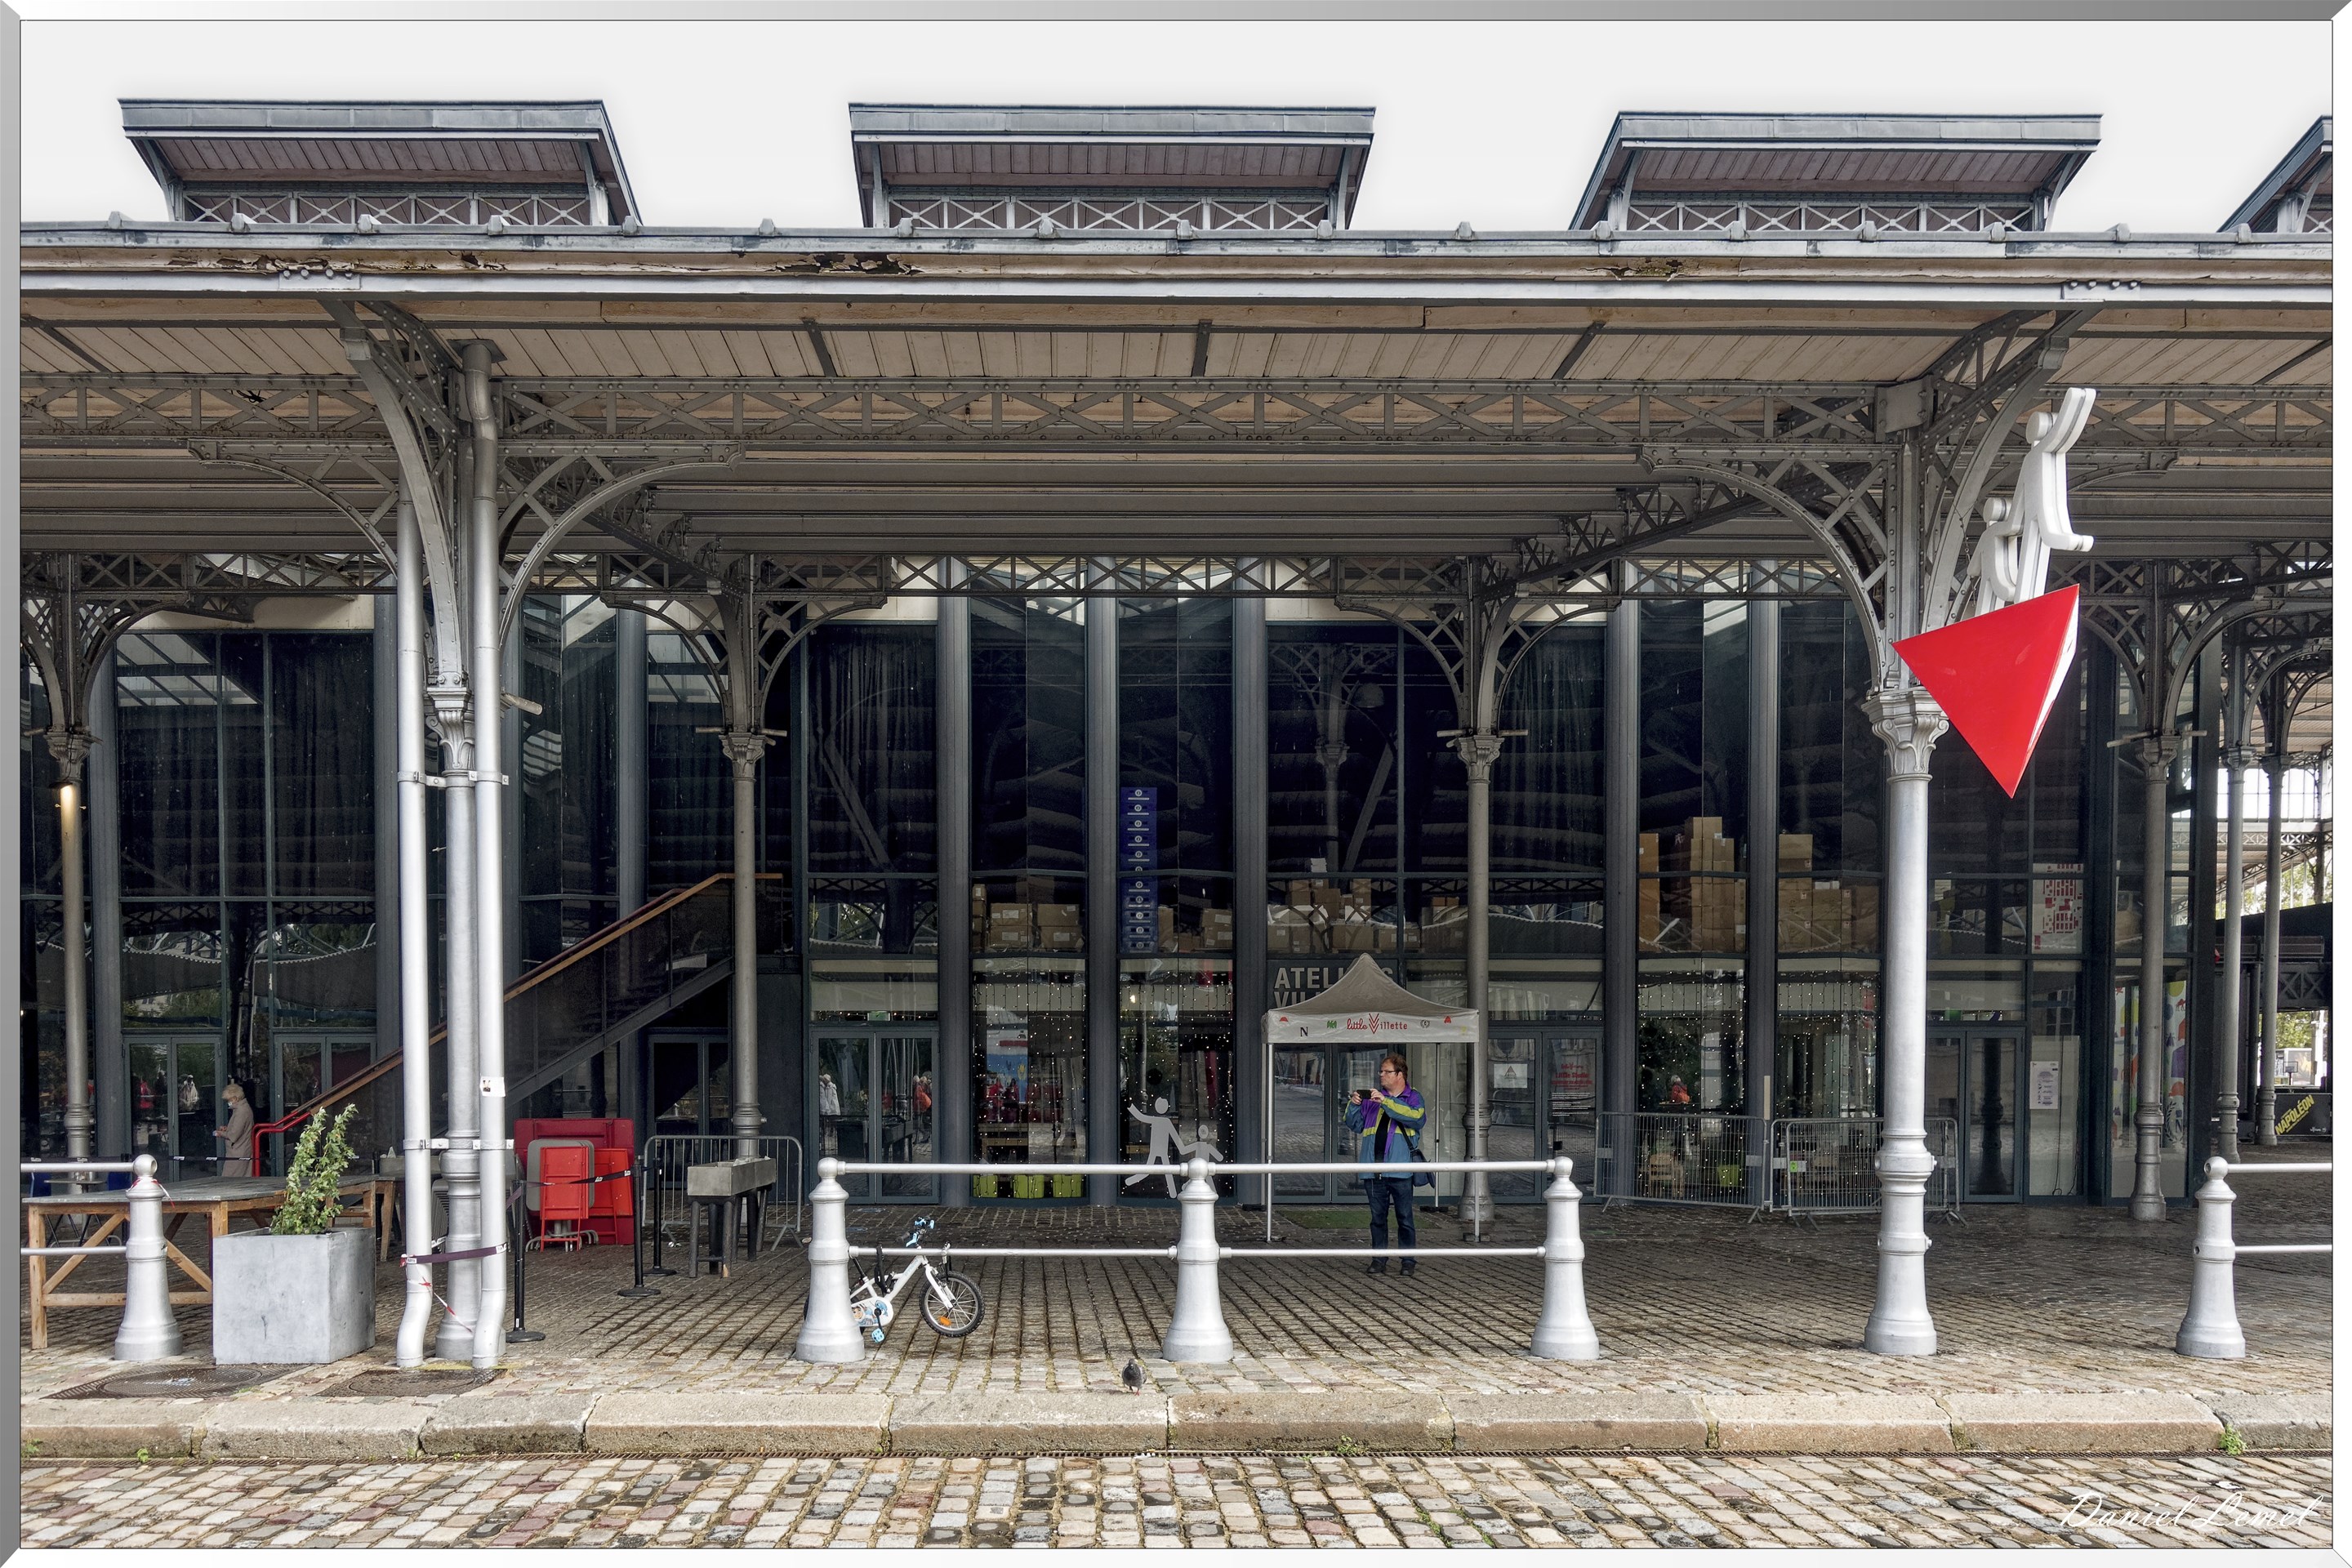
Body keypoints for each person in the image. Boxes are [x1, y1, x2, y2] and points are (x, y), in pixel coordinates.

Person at [1343, 1052, 1425, 1277]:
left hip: (1400, 1171)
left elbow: (1417, 1118)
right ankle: (1379, 1260)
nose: (1381, 1075)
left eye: (1386, 1071)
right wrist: (1354, 1104)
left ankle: (1408, 1261)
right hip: (1374, 1170)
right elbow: (1355, 1125)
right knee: (1377, 1219)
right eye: (1380, 1071)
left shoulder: (1413, 1097)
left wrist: (1386, 1101)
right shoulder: (1372, 1099)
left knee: (1405, 1219)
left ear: (1400, 1074)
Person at [216, 1082, 256, 1178]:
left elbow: (234, 1135)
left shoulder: (241, 1111)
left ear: (234, 1098)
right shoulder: (242, 1109)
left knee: (229, 1180)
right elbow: (239, 1128)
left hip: (238, 1152)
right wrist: (227, 1129)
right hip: (241, 1149)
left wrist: (220, 1133)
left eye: (228, 1100)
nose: (228, 1102)